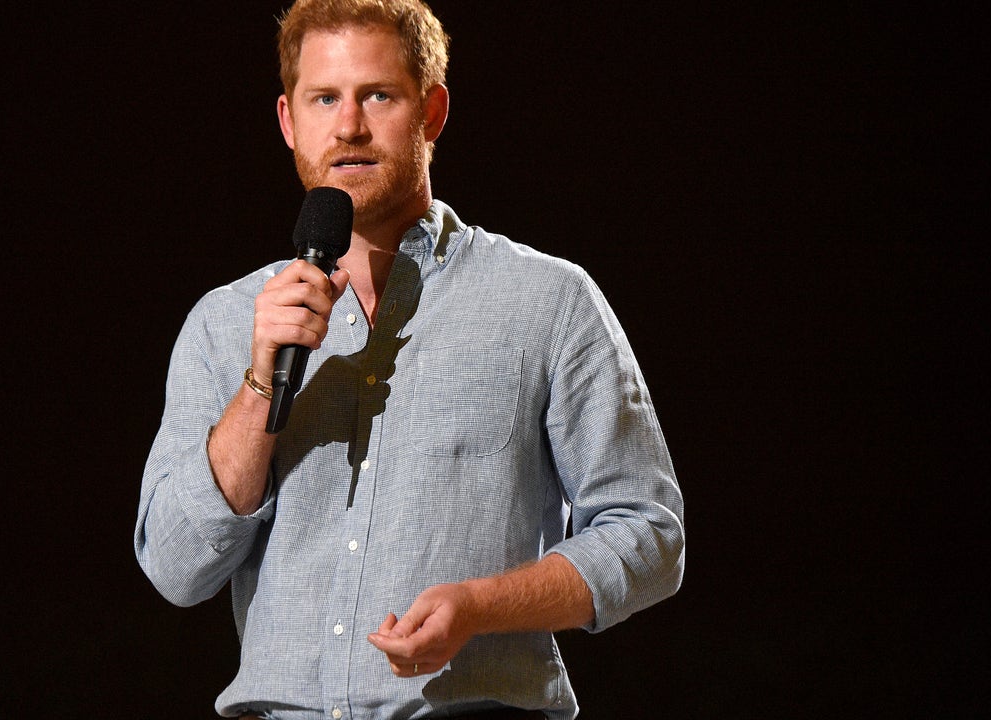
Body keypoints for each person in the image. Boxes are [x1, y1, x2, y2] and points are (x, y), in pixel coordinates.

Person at [134, 1, 684, 717]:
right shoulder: (228, 322)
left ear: (432, 112)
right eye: (324, 98)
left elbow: (649, 535)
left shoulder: (546, 300)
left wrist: (479, 606)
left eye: (378, 96)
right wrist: (260, 382)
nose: (349, 126)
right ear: (288, 121)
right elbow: (176, 568)